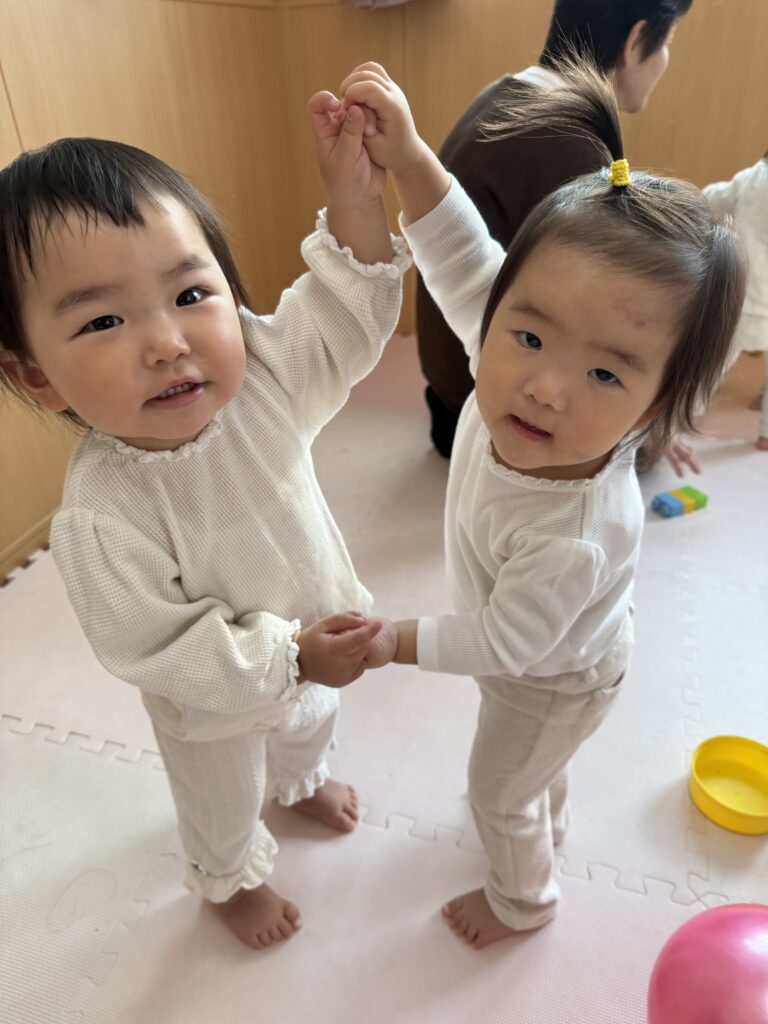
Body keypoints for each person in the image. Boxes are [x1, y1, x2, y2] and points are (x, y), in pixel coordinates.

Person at [338, 60, 745, 947]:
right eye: (527, 334)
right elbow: (458, 253)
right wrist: (409, 159)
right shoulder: (503, 341)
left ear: (657, 412)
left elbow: (508, 642)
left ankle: (524, 902)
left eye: (606, 374)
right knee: (531, 773)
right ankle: (545, 810)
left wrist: (390, 642)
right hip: (546, 645)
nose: (546, 387)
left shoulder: (574, 534)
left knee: (498, 791)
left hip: (552, 678)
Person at [0, 97, 409, 950]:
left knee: (312, 727)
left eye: (190, 294)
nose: (166, 342)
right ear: (37, 376)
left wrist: (356, 203)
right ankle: (230, 882)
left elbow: (343, 315)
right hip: (214, 706)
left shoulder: (264, 374)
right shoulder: (101, 516)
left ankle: (301, 786)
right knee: (219, 801)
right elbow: (157, 645)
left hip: (322, 641)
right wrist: (289, 656)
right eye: (103, 321)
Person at [416, 0, 695, 469]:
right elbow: (607, 316)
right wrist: (648, 423)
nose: (665, 59)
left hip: (449, 386)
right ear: (635, 41)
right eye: (666, 42)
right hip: (488, 409)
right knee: (633, 435)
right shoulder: (574, 145)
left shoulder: (506, 93)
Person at [703, 153, 768, 450]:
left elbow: (714, 198)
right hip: (754, 296)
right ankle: (766, 434)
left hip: (746, 295)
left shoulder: (754, 178)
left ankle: (690, 408)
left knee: (714, 360)